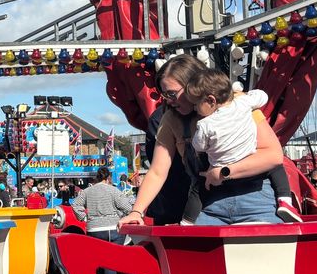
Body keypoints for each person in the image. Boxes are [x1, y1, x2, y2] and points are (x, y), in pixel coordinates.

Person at [120, 55, 286, 231]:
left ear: (194, 85)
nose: (168, 100)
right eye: (164, 94)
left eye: (172, 94)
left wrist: (222, 172)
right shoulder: (171, 119)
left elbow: (273, 155)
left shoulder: (235, 103)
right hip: (210, 203)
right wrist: (136, 212)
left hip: (254, 196)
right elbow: (157, 171)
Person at [183, 70, 297, 224]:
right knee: (276, 168)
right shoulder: (244, 104)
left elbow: (199, 146)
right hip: (250, 171)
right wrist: (245, 94)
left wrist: (192, 140)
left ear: (211, 100)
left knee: (198, 187)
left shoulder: (205, 124)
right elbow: (262, 97)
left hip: (222, 182)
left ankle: (187, 221)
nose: (195, 108)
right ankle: (285, 200)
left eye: (196, 104)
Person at [72, 167, 133, 274]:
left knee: (99, 259)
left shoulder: (87, 191)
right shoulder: (113, 190)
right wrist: (124, 215)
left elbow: (75, 204)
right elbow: (127, 207)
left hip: (94, 228)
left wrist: (84, 217)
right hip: (112, 228)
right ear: (108, 178)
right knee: (111, 260)